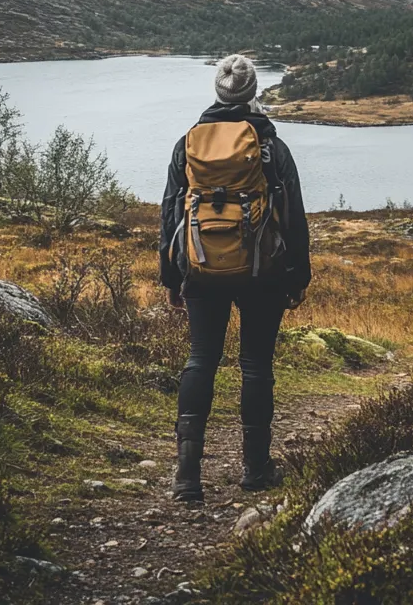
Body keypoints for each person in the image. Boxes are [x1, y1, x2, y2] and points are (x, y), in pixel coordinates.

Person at [159, 54, 311, 503]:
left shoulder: (189, 142)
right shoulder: (271, 147)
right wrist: (298, 275)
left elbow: (170, 213)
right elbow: (294, 217)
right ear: (252, 92)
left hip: (201, 269)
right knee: (256, 366)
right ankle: (256, 468)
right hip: (264, 272)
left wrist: (172, 276)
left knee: (201, 358)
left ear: (218, 90)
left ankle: (187, 477)